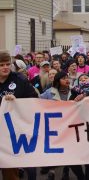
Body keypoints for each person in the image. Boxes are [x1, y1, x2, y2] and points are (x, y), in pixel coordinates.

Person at [40, 71, 85, 180]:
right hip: (56, 130)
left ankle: (79, 176)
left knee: (70, 156)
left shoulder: (75, 90)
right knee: (61, 154)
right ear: (57, 80)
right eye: (63, 78)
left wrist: (83, 96)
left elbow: (87, 97)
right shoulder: (49, 93)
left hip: (72, 130)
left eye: (67, 78)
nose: (67, 80)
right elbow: (37, 102)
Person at [0, 51, 38, 180]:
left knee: (10, 172)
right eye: (1, 65)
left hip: (12, 133)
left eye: (7, 64)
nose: (5, 67)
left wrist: (17, 101)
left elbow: (34, 98)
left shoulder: (19, 79)